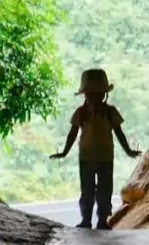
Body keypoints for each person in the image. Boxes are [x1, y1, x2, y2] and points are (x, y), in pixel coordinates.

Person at [50, 68, 140, 229]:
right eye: (91, 94)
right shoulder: (81, 112)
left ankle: (102, 220)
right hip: (87, 157)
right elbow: (72, 133)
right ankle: (86, 219)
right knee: (88, 191)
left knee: (104, 191)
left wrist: (128, 150)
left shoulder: (109, 112)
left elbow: (119, 133)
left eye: (97, 93)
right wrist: (64, 151)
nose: (94, 97)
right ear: (85, 95)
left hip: (105, 157)